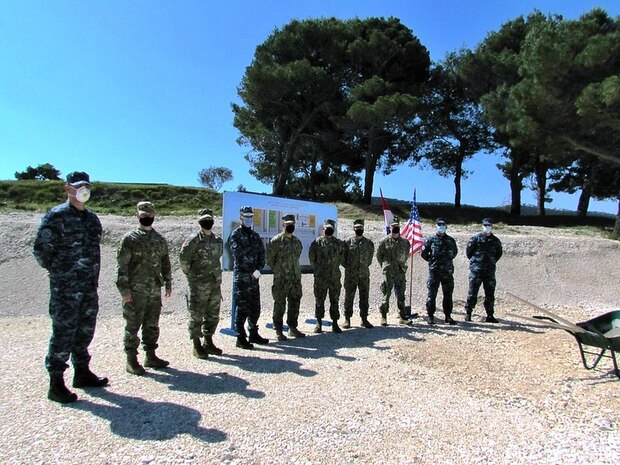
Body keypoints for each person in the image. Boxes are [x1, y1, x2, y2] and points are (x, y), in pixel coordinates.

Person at [33, 171, 108, 403]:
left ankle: (82, 372)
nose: (82, 191)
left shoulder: (92, 219)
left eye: (86, 186)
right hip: (65, 289)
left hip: (88, 286)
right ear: (68, 189)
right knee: (63, 331)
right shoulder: (56, 216)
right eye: (77, 187)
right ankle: (56, 383)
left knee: (85, 328)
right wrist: (61, 273)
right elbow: (41, 249)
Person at [116, 201, 172, 375]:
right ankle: (131, 360)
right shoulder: (130, 239)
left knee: (152, 324)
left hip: (154, 289)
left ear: (154, 216)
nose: (146, 218)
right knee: (133, 325)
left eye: (149, 216)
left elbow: (165, 262)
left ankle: (151, 356)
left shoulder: (159, 239)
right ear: (137, 216)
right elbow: (122, 266)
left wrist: (168, 282)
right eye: (143, 216)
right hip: (135, 290)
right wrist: (124, 290)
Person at [180, 208, 224, 358]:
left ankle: (208, 341)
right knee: (196, 315)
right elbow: (184, 262)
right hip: (198, 285)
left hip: (214, 283)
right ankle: (196, 344)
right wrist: (193, 278)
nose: (208, 222)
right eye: (204, 220)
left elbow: (218, 259)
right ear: (199, 222)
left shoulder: (218, 240)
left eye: (209, 219)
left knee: (213, 314)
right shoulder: (193, 241)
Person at [226, 206, 269, 350]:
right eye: (246, 217)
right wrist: (251, 270)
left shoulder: (255, 236)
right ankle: (240, 337)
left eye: (251, 216)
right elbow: (238, 254)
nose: (249, 219)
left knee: (255, 307)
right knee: (242, 307)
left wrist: (258, 270)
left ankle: (253, 333)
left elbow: (262, 255)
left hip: (254, 278)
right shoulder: (235, 235)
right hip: (242, 277)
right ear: (241, 218)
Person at [265, 214, 306, 341]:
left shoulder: (297, 241)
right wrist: (279, 271)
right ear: (283, 225)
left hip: (295, 278)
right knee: (280, 304)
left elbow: (297, 256)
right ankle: (278, 329)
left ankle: (292, 328)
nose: (290, 227)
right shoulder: (276, 241)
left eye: (292, 225)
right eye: (287, 225)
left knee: (295, 303)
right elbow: (270, 259)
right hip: (281, 279)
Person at [309, 219, 345, 333]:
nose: (328, 230)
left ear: (333, 229)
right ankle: (318, 323)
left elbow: (342, 258)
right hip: (321, 277)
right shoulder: (317, 243)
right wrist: (319, 269)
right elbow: (312, 258)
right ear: (323, 229)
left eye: (331, 228)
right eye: (326, 228)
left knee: (334, 300)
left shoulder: (339, 243)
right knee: (319, 300)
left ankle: (335, 323)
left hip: (334, 277)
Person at [464, 218, 503, 323]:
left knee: (490, 294)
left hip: (489, 272)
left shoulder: (495, 241)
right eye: (485, 225)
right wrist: (476, 262)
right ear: (482, 226)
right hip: (476, 271)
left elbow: (498, 254)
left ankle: (490, 315)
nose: (487, 227)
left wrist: (491, 261)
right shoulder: (475, 238)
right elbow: (469, 252)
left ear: (492, 226)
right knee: (472, 292)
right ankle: (468, 313)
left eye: (489, 225)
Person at [421, 218, 458, 325]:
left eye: (443, 225)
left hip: (447, 272)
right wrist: (432, 261)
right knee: (432, 294)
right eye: (439, 225)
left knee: (448, 294)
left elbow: (454, 253)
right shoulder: (430, 240)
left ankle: (448, 316)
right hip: (434, 272)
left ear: (446, 227)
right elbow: (424, 254)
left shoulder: (451, 240)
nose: (441, 227)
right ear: (436, 226)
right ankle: (431, 316)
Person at [376, 217, 412, 326]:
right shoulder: (384, 241)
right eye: (393, 227)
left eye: (397, 227)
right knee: (386, 294)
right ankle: (383, 317)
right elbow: (379, 256)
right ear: (390, 228)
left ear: (399, 228)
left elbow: (406, 255)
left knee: (401, 294)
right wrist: (385, 266)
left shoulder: (405, 242)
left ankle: (402, 317)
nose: (395, 229)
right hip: (388, 272)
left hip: (400, 271)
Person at [343, 219, 375, 329]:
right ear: (353, 229)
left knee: (364, 297)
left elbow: (370, 260)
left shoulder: (369, 243)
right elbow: (343, 259)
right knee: (349, 297)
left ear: (363, 229)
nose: (359, 230)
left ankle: (364, 319)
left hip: (364, 275)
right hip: (350, 275)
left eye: (360, 228)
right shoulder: (347, 243)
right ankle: (347, 319)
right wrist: (349, 267)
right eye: (357, 229)